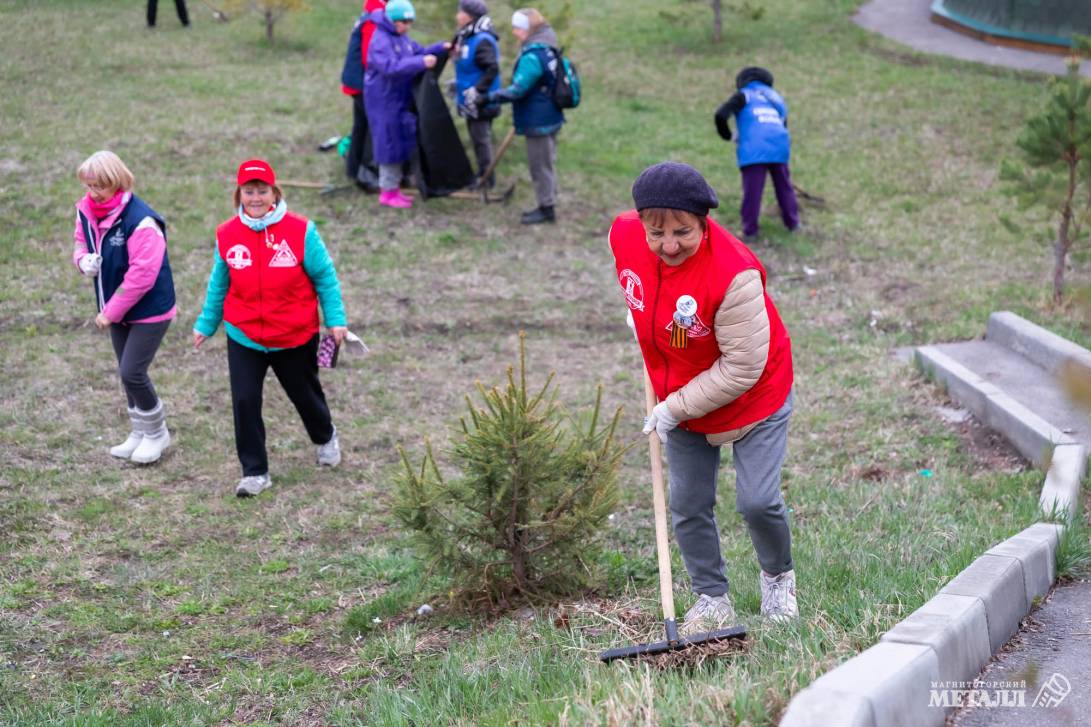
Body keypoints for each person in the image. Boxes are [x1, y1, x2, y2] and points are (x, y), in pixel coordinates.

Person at [608, 161, 798, 633]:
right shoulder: (625, 234)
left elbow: (741, 367)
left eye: (683, 232)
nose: (669, 244)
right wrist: (640, 315)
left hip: (754, 397)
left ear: (704, 223)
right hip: (681, 395)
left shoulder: (734, 275)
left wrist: (673, 408)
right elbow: (636, 277)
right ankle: (712, 598)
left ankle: (778, 577)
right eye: (658, 233)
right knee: (689, 503)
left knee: (757, 502)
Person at [193, 159, 348, 497]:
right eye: (249, 191)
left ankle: (325, 436)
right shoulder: (226, 233)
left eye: (262, 190)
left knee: (305, 396)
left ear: (274, 193)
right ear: (239, 195)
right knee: (245, 400)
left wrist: (335, 319)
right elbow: (219, 283)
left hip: (294, 334)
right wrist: (207, 323)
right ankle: (255, 472)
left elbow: (325, 278)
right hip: (244, 333)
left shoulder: (301, 231)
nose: (256, 197)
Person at [71, 151, 176, 464]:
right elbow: (80, 241)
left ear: (116, 182)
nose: (92, 192)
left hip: (149, 311)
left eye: (99, 186)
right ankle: (140, 431)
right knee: (125, 372)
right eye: (89, 186)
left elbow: (142, 277)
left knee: (132, 372)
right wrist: (82, 261)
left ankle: (157, 434)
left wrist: (110, 312)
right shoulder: (87, 211)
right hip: (116, 307)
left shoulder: (141, 221)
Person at [364, 0, 452, 209]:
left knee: (399, 141)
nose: (407, 26)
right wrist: (420, 63)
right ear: (393, 20)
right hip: (383, 101)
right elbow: (390, 67)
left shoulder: (401, 38)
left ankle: (395, 189)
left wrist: (440, 49)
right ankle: (387, 192)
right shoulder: (380, 40)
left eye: (410, 21)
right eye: (404, 21)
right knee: (388, 145)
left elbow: (418, 52)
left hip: (398, 99)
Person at [484, 8, 563, 225]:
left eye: (518, 28)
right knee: (548, 162)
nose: (514, 32)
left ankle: (546, 209)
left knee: (540, 166)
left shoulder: (532, 55)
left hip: (538, 120)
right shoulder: (548, 46)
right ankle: (549, 199)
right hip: (551, 114)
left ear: (529, 29)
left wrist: (490, 97)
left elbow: (518, 90)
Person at [713, 67, 800, 244]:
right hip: (780, 144)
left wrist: (728, 136)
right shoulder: (776, 98)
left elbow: (721, 115)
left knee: (753, 191)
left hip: (754, 147)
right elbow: (783, 123)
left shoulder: (744, 95)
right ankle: (793, 224)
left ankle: (750, 231)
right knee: (784, 187)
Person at [452, 0, 501, 189]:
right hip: (469, 98)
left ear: (470, 16)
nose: (457, 15)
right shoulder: (467, 36)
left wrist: (478, 90)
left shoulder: (482, 40)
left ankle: (487, 179)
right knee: (477, 139)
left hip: (481, 101)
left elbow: (492, 68)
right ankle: (482, 173)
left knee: (481, 140)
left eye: (460, 12)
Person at [340, 0, 386, 191]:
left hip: (357, 83)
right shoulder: (374, 19)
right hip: (364, 85)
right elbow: (369, 55)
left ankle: (352, 168)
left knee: (360, 126)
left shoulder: (368, 13)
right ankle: (366, 175)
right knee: (369, 128)